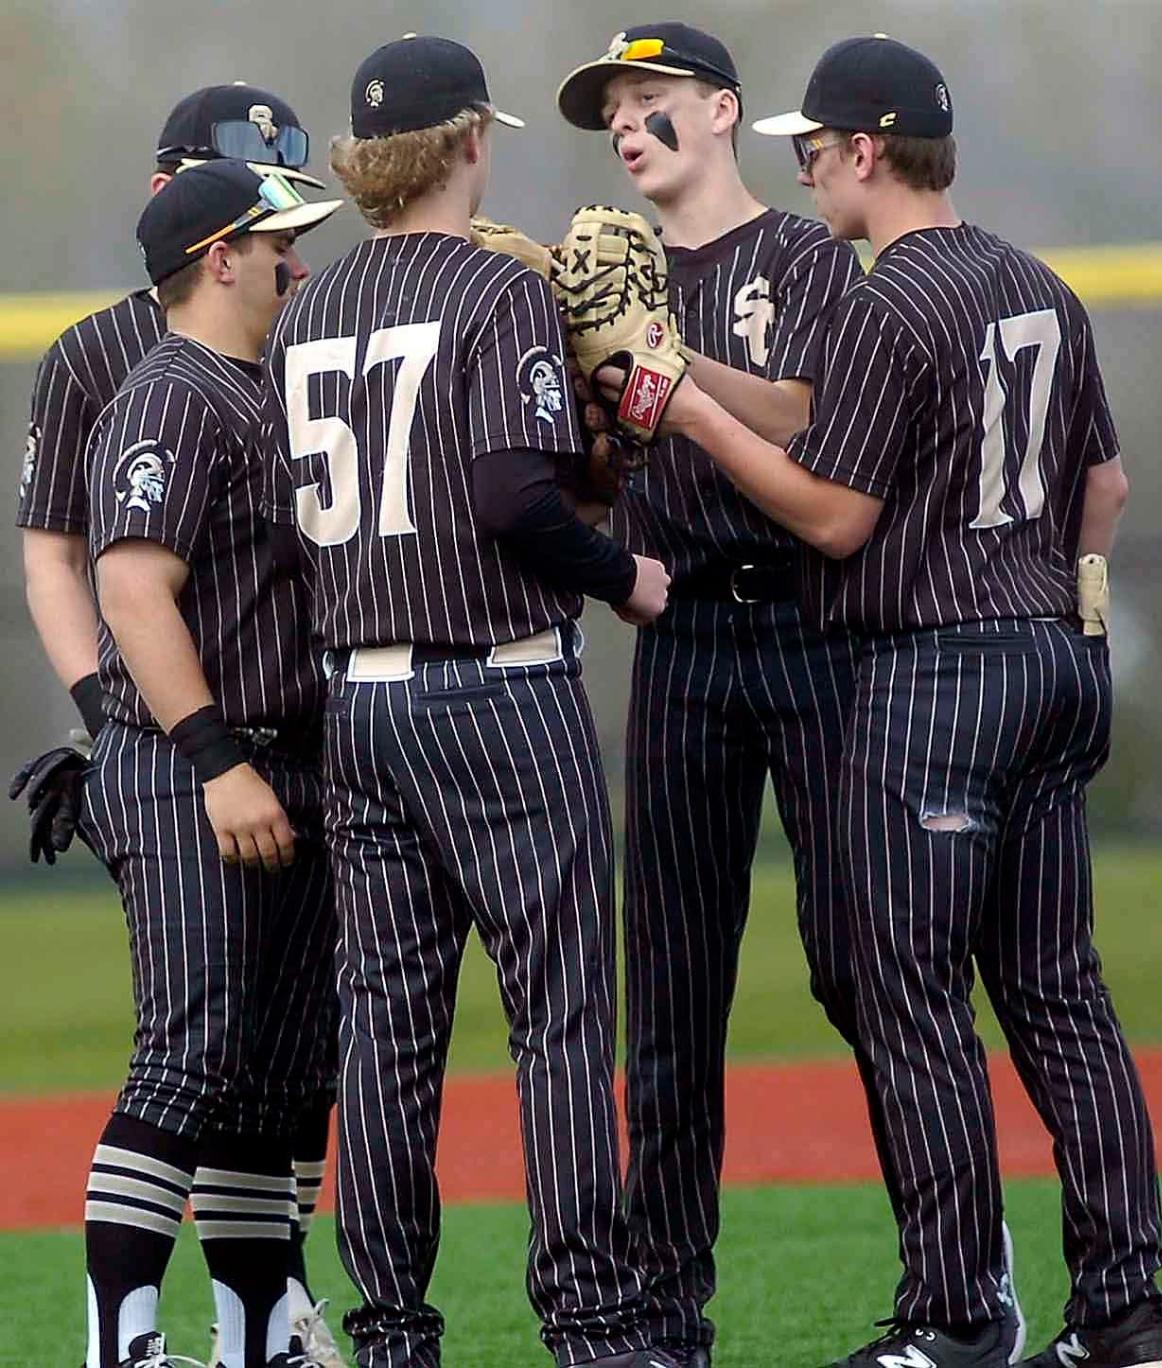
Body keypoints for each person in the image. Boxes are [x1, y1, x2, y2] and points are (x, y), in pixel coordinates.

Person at [656, 32, 1162, 1368]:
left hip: (932, 678)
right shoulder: (1035, 281)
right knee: (1059, 997)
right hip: (1056, 661)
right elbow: (1102, 490)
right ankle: (1125, 1316)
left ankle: (952, 1319)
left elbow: (830, 516)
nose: (807, 170)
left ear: (869, 150)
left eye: (814, 150)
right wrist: (680, 368)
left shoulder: (883, 298)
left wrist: (692, 425)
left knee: (904, 995)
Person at [262, 33, 676, 1368]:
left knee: (385, 1031)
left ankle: (389, 1334)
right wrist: (624, 577)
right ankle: (591, 1326)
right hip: (495, 692)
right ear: (464, 144)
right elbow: (517, 498)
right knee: (556, 1019)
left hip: (360, 709)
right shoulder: (497, 292)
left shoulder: (307, 308)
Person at [13, 84, 346, 1367]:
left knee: (275, 1077)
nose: (295, 256)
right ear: (212, 241)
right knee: (193, 1053)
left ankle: (261, 1331)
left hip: (291, 756)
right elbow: (103, 572)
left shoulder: (279, 359)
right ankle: (122, 1344)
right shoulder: (143, 375)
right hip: (197, 753)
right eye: (274, 232)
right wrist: (160, 738)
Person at [555, 26, 869, 1363]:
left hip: (805, 631)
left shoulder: (796, 255)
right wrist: (587, 407)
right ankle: (663, 1313)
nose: (626, 125)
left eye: (650, 101)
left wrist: (659, 364)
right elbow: (593, 482)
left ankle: (962, 1286)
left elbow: (803, 415)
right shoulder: (604, 276)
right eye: (612, 111)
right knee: (672, 1003)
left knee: (868, 968)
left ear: (721, 109)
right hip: (679, 635)